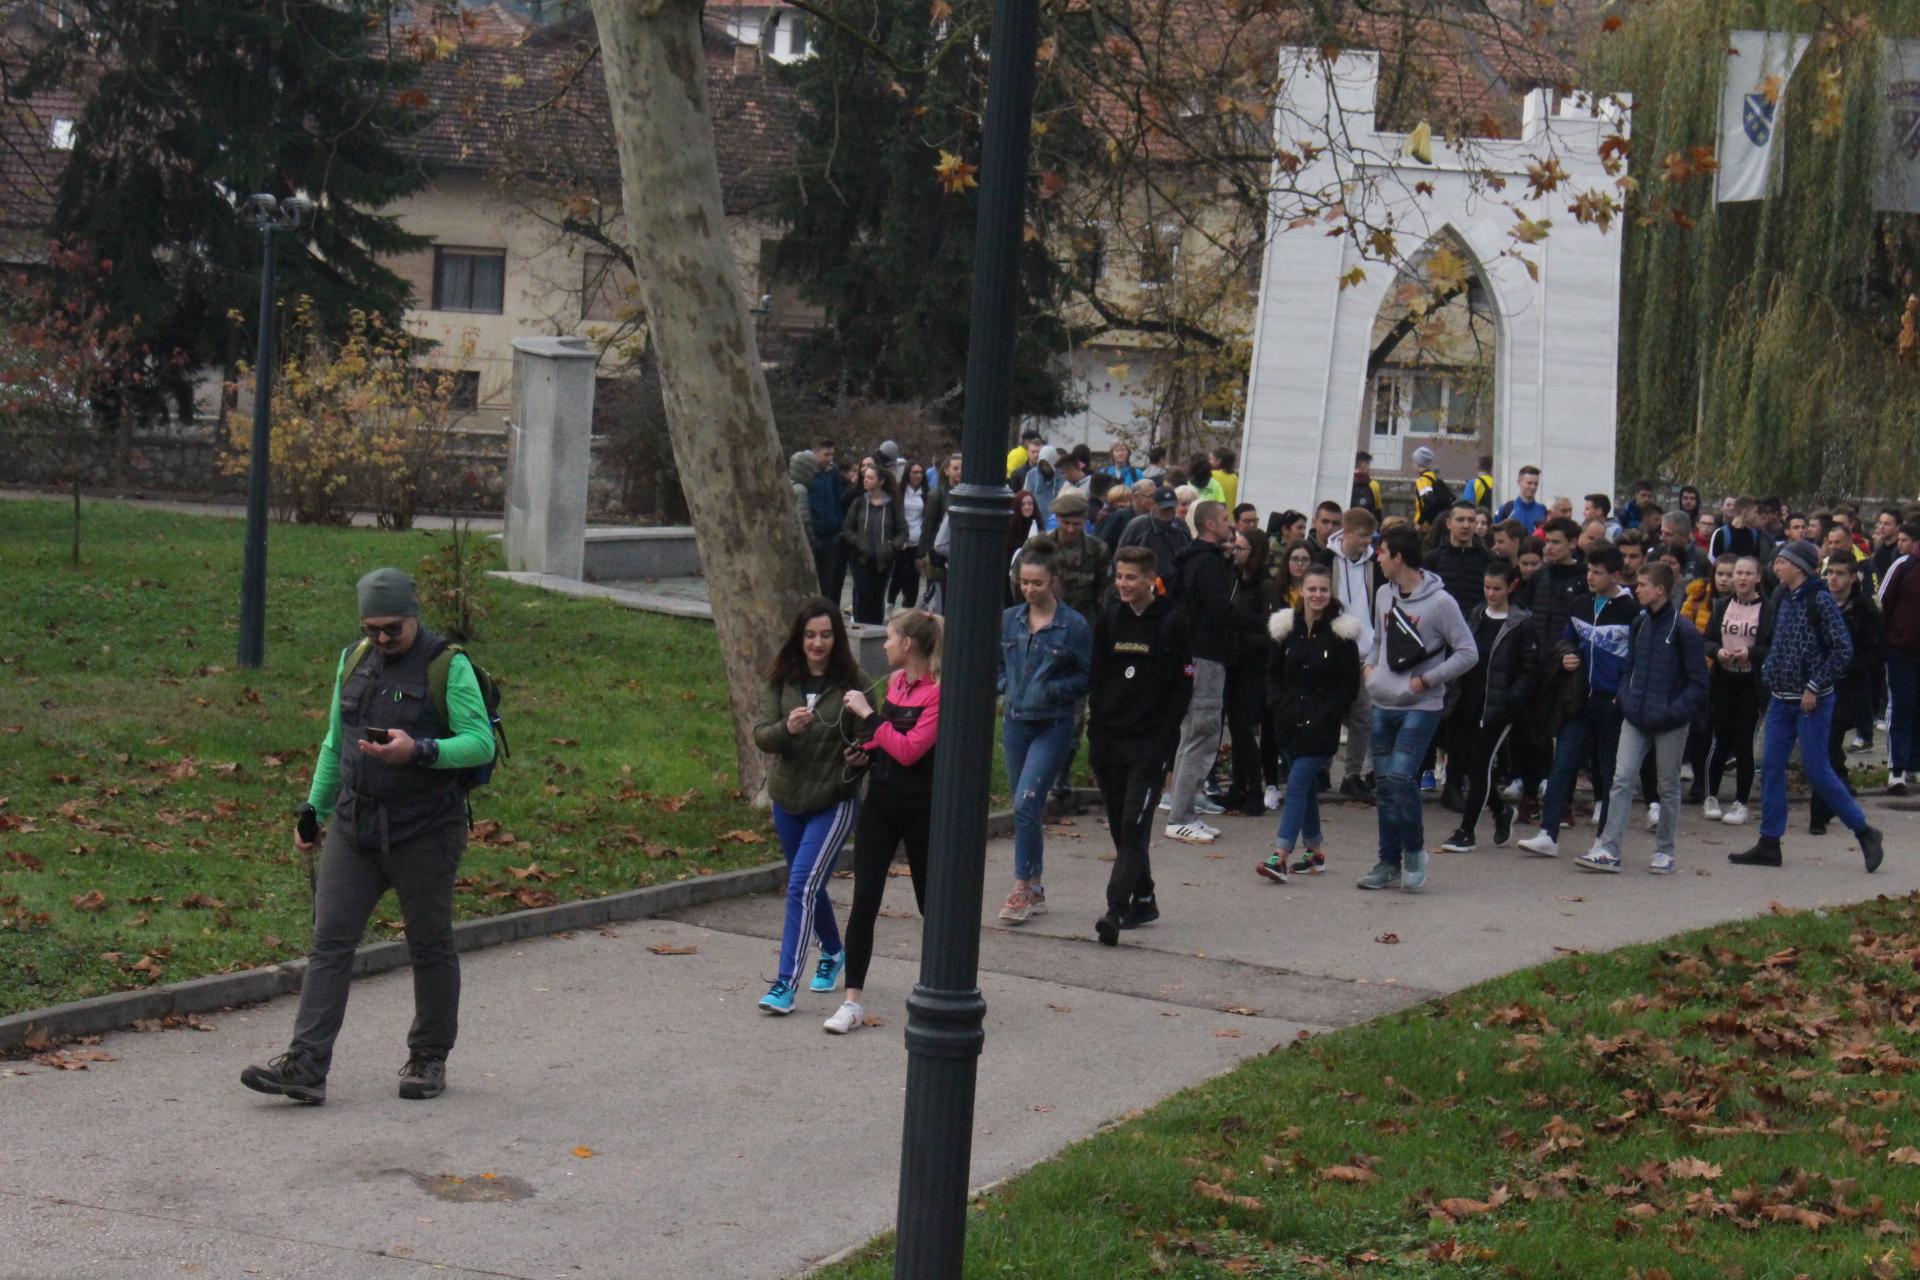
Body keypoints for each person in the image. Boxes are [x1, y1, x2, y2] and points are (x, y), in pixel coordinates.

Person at [241, 569, 497, 1106]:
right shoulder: (353, 660)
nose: (381, 639)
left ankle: (429, 1057)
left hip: (425, 829)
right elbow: (337, 742)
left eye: (392, 629)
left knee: (428, 943)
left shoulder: (447, 666)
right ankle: (306, 1066)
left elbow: (479, 744)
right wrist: (314, 808)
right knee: (330, 942)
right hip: (356, 826)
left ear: (414, 616)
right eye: (372, 628)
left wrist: (421, 750)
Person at [1729, 541, 1887, 873]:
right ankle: (1769, 843)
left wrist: (1814, 686)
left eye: (1781, 562)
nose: (1775, 567)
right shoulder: (1784, 597)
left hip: (1811, 702)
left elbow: (1842, 649)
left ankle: (1865, 831)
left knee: (1817, 770)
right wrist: (1771, 673)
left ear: (1798, 567)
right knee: (1771, 768)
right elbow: (1780, 642)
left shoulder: (1820, 600)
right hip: (1781, 699)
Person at [748, 601, 868, 1015]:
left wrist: (859, 757)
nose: (818, 643)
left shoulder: (855, 684)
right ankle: (833, 952)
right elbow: (761, 735)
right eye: (810, 635)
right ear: (799, 639)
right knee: (808, 885)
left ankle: (785, 984)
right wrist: (787, 728)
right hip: (788, 799)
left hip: (832, 801)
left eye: (826, 635)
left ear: (838, 639)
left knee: (801, 885)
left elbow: (872, 738)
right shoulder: (781, 682)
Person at [826, 609, 942, 1034]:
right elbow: (889, 742)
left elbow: (912, 749)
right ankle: (852, 1000)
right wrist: (866, 749)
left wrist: (868, 714)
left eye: (891, 637)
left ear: (908, 645)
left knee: (932, 902)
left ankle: (940, 984)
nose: (886, 644)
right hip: (881, 802)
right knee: (864, 901)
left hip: (920, 808)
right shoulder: (895, 683)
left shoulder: (936, 694)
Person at [1357, 524, 1478, 891]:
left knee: (1400, 776)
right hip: (1382, 701)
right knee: (1384, 783)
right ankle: (1386, 860)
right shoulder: (1383, 594)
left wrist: (1428, 680)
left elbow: (1468, 652)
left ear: (1399, 557)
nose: (1376, 557)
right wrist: (1370, 670)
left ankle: (1414, 852)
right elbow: (1378, 638)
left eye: (1382, 552)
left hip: (1421, 705)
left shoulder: (1441, 602)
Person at [1575, 562, 1709, 875]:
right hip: (1635, 716)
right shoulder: (1640, 623)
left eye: (1644, 585)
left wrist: (1674, 711)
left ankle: (1665, 851)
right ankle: (1608, 847)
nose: (1638, 589)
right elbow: (1629, 666)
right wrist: (1627, 696)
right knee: (1621, 780)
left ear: (1660, 590)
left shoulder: (1684, 629)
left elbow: (1699, 683)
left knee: (1668, 785)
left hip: (1669, 721)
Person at [1091, 547, 1193, 945]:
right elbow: (1097, 677)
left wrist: (1165, 742)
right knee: (1122, 826)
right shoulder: (1110, 618)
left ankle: (1116, 908)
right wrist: (1095, 732)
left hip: (1149, 744)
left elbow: (1181, 686)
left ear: (1150, 578)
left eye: (1131, 577)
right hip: (1109, 740)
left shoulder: (1172, 623)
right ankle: (1145, 894)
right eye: (1119, 577)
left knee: (1135, 824)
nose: (1123, 585)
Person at [1517, 545, 1637, 859]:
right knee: (1563, 764)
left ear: (1614, 574)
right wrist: (1567, 653)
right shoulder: (1580, 604)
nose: (1590, 577)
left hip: (1610, 703)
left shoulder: (1630, 611)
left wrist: (1620, 695)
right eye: (1588, 571)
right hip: (1578, 700)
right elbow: (1566, 637)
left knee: (1609, 771)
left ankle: (1604, 840)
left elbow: (1634, 658)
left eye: (1597, 572)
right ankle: (1548, 832)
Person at [996, 542, 1094, 923]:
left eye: (1037, 583)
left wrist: (1052, 689)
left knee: (1026, 801)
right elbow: (996, 664)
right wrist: (1006, 685)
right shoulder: (1009, 620)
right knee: (1027, 808)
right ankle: (1035, 887)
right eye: (1024, 583)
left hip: (1052, 724)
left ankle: (1021, 887)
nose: (1030, 590)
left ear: (1053, 581)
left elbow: (1085, 676)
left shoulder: (1073, 626)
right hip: (1016, 720)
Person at [1163, 501, 1265, 843]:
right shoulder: (1206, 565)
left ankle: (1186, 811)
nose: (1230, 526)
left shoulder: (1194, 560)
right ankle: (1179, 815)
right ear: (1209, 525)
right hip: (1206, 656)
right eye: (1224, 520)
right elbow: (1220, 611)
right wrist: (1262, 624)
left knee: (1195, 733)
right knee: (1201, 733)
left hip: (1199, 654)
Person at [1258, 562, 1362, 881]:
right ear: (1301, 591)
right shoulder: (1285, 629)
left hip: (1321, 726)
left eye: (1323, 589)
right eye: (1312, 589)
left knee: (1298, 784)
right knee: (1305, 791)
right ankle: (1315, 853)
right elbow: (1272, 674)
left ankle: (1280, 854)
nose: (1317, 595)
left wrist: (1326, 713)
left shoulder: (1342, 634)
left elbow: (1348, 685)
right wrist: (1278, 705)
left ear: (1331, 593)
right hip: (1288, 723)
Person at [1439, 559, 1537, 854]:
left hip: (1497, 706)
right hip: (1468, 699)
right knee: (1468, 763)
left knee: (1481, 764)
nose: (1491, 593)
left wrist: (1510, 701)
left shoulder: (1521, 623)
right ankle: (1501, 811)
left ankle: (1466, 830)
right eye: (1487, 587)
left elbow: (1528, 670)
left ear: (1511, 587)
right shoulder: (1477, 614)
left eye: (1497, 588)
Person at [1808, 554, 1880, 836]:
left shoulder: (1865, 610)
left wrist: (1847, 666)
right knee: (1826, 750)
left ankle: (1820, 813)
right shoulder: (1818, 604)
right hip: (1819, 685)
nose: (1833, 579)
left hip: (1849, 690)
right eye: (1830, 573)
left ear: (1853, 578)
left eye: (1840, 573)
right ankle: (1837, 794)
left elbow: (1875, 653)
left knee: (1828, 746)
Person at [1703, 554, 1769, 824]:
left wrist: (1750, 653)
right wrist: (1717, 651)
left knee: (1744, 744)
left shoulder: (1768, 608)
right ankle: (1711, 796)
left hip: (1750, 684)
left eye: (1747, 573)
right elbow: (1706, 640)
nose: (1741, 578)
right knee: (1720, 740)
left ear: (1758, 578)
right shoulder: (1720, 606)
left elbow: (1771, 646)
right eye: (1737, 573)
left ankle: (1741, 802)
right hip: (1723, 680)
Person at [1329, 506, 1384, 800]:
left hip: (1366, 651)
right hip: (1336, 649)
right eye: (1363, 536)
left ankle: (1352, 774)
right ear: (1346, 533)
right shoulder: (1328, 560)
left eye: (1370, 537)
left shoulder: (1374, 564)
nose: (1367, 542)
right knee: (1329, 712)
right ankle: (1321, 770)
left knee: (1363, 715)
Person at [1220, 530, 1274, 815]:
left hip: (1253, 665)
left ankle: (1255, 788)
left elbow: (1270, 628)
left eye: (1241, 548)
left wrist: (1239, 634)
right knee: (1236, 729)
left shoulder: (1265, 585)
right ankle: (1238, 786)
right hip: (1232, 662)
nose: (1235, 552)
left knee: (1243, 729)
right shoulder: (1235, 579)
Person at [1878, 521, 1920, 795]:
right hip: (1901, 651)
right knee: (1901, 707)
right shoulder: (1904, 566)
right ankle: (1897, 769)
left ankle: (1915, 765)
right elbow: (1882, 603)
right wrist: (1887, 640)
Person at [840, 462, 904, 625]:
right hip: (861, 558)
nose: (866, 480)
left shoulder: (892, 504)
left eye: (870, 477)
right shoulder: (859, 502)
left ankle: (876, 631)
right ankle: (862, 627)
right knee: (864, 595)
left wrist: (891, 547)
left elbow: (903, 532)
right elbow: (847, 528)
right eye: (865, 477)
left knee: (877, 596)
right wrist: (859, 542)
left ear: (880, 481)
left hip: (883, 559)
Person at [1119, 485, 1191, 596]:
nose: (1168, 512)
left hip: (1175, 591)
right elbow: (1120, 556)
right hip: (1144, 589)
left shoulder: (1181, 526)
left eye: (1171, 508)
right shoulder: (1137, 525)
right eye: (1164, 508)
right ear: (1153, 506)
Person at [807, 439, 849, 601]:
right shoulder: (809, 474)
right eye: (826, 454)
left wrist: (838, 525)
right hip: (815, 534)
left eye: (832, 454)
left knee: (828, 581)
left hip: (831, 533)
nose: (829, 458)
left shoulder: (833, 473)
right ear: (815, 452)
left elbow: (837, 500)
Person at [889, 461, 931, 609]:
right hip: (902, 540)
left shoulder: (926, 494)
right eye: (914, 472)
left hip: (917, 541)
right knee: (898, 574)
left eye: (920, 472)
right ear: (908, 474)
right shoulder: (899, 492)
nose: (918, 475)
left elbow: (927, 519)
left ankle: (909, 607)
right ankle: (890, 603)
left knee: (914, 577)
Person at [1002, 489, 1045, 606]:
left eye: (1030, 504)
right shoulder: (1010, 529)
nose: (1027, 507)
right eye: (1023, 504)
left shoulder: (1038, 526)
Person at [1494, 465, 1547, 533]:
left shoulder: (1542, 510)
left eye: (1536, 484)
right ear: (1519, 482)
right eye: (1529, 483)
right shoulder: (1506, 509)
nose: (1533, 487)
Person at [1709, 496, 1762, 561]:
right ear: (1744, 512)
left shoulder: (1754, 535)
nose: (1756, 516)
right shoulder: (1721, 533)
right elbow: (1714, 561)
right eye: (1755, 512)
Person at [1411, 445, 1451, 529]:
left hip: (1425, 526)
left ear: (1417, 463)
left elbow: (1429, 501)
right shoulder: (1433, 477)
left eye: (1413, 462)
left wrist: (1419, 522)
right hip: (1436, 522)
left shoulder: (1422, 481)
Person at [1023, 445, 1062, 523]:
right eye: (1042, 464)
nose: (1045, 468)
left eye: (1048, 464)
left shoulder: (1061, 476)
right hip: (1035, 520)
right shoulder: (1031, 475)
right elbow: (1025, 496)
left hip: (1054, 522)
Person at [1351, 450, 1383, 515]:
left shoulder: (1348, 482)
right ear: (1363, 464)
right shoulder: (1373, 485)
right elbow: (1378, 509)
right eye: (1368, 464)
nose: (1369, 468)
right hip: (1366, 522)